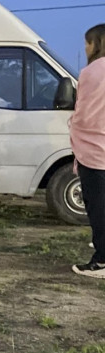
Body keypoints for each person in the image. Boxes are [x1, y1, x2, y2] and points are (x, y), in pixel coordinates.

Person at [70, 23, 105, 278]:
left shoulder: (93, 72)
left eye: (87, 43)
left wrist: (72, 125)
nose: (85, 47)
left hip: (95, 150)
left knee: (98, 207)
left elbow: (85, 115)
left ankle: (102, 261)